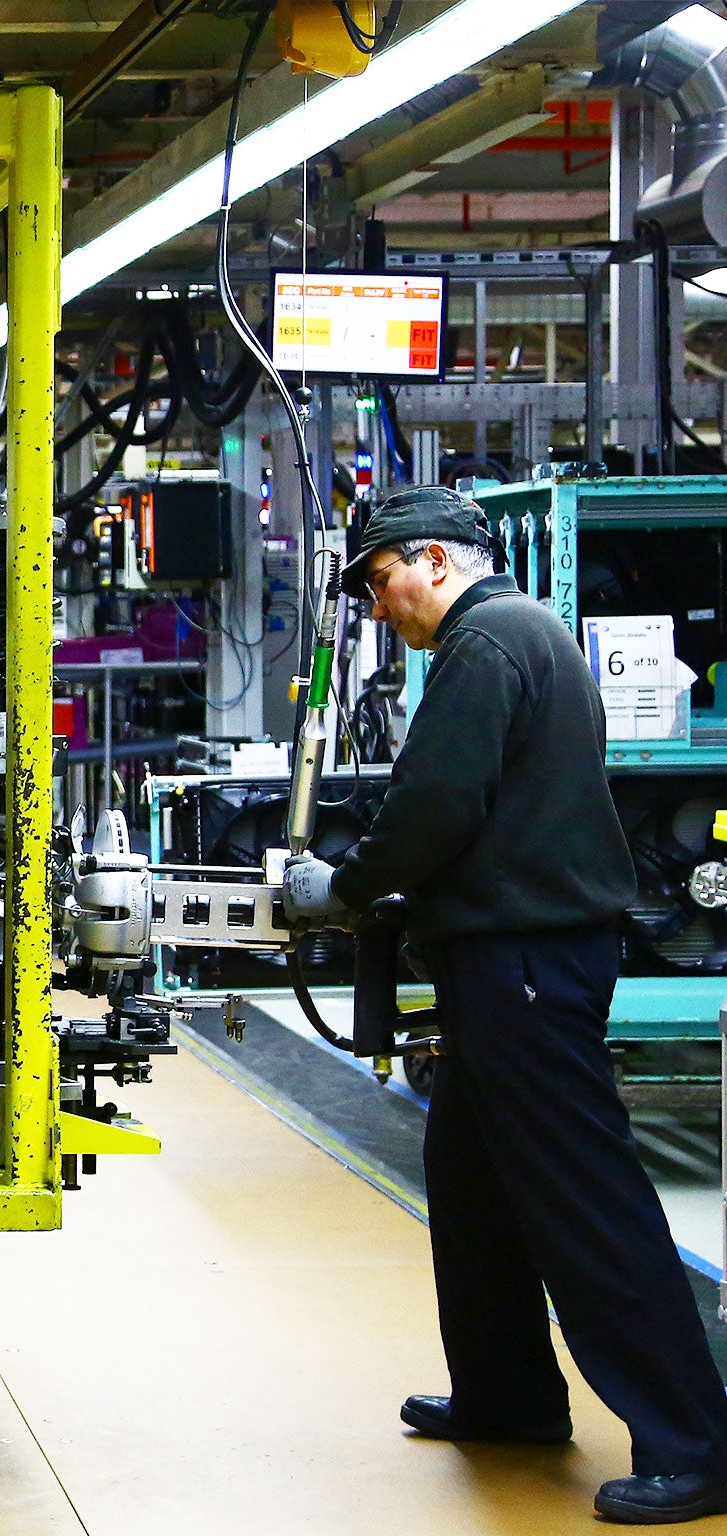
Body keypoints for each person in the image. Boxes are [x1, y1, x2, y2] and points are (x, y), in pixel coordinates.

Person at [282, 483, 727, 1525]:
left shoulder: (483, 645)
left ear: (433, 560)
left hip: (525, 961)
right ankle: (509, 1395)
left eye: (382, 581)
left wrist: (342, 893)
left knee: (584, 1201)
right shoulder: (514, 636)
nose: (379, 606)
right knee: (473, 1191)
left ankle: (694, 1442)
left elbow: (436, 801)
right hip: (506, 957)